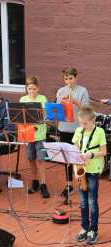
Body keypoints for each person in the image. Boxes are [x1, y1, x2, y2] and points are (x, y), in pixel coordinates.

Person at [73, 106, 106, 245]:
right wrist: (76, 165)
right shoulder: (78, 130)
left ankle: (93, 230)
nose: (83, 126)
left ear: (93, 120)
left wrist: (91, 154)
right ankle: (84, 227)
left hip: (93, 169)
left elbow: (104, 151)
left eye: (85, 123)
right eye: (81, 123)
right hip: (82, 169)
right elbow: (74, 147)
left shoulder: (100, 131)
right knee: (83, 202)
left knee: (92, 201)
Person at [56, 67, 90, 204]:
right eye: (66, 78)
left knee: (79, 157)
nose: (68, 81)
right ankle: (69, 184)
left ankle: (82, 182)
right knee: (67, 159)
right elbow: (56, 110)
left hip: (78, 129)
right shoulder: (60, 91)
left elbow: (87, 110)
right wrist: (60, 103)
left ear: (75, 78)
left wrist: (75, 101)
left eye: (70, 78)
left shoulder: (83, 91)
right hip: (64, 127)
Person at [20, 76, 50, 198]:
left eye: (34, 89)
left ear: (38, 88)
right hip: (28, 134)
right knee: (31, 158)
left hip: (40, 134)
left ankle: (43, 184)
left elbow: (45, 115)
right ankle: (35, 181)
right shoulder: (22, 99)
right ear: (26, 89)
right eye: (29, 89)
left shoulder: (42, 99)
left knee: (41, 160)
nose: (32, 91)